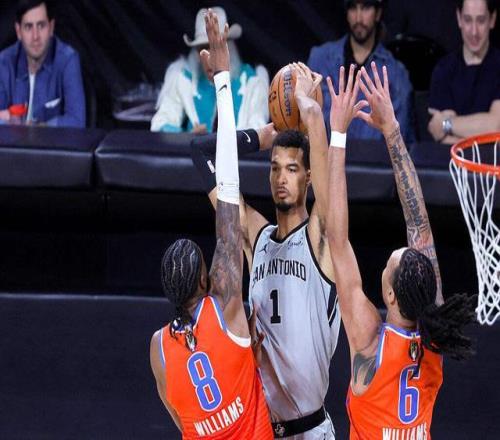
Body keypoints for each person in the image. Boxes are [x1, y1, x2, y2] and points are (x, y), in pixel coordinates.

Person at [325, 61, 476, 438]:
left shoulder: (368, 342)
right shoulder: (435, 338)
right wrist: (392, 130)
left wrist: (338, 135)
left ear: (389, 295)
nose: (393, 256)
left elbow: (337, 241)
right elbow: (419, 225)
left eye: (389, 264)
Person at [191, 63, 339, 439]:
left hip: (311, 430)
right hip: (259, 429)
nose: (281, 178)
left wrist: (311, 114)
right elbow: (200, 151)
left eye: (291, 169)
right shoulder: (255, 237)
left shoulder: (320, 238)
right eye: (274, 168)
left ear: (308, 177)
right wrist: (263, 136)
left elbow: (331, 191)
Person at [149, 10, 273, 439]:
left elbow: (180, 420)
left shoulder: (158, 349)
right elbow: (229, 216)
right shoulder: (226, 308)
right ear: (206, 279)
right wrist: (222, 81)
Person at [308, 0, 415, 143]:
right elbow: (306, 125)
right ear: (347, 13)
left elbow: (401, 140)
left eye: (366, 8)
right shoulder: (320, 59)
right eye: (353, 8)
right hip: (326, 156)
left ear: (378, 14)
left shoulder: (396, 73)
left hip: (375, 157)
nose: (358, 18)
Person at [151, 6, 269, 134]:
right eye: (203, 48)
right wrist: (188, 138)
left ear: (229, 49)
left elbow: (258, 131)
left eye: (216, 47)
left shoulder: (251, 82)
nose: (210, 56)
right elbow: (160, 123)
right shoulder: (185, 80)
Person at [0, 0, 85, 127]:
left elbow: (77, 121)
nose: (35, 36)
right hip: (12, 140)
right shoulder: (5, 62)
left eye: (41, 26)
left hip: (50, 140)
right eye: (28, 27)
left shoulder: (68, 60)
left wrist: (39, 129)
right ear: (18, 32)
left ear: (51, 28)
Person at [428, 0, 500, 144]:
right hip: (449, 158)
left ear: (492, 20)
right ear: (459, 18)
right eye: (467, 20)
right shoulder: (444, 69)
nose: (474, 32)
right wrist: (483, 129)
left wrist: (447, 124)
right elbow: (441, 136)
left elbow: (496, 127)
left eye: (481, 21)